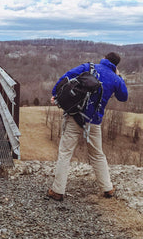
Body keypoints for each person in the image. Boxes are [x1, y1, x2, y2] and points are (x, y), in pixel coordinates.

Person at [47, 52, 128, 201]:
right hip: (94, 121)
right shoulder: (115, 78)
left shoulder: (88, 67)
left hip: (75, 116)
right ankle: (107, 188)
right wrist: (119, 76)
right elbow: (124, 96)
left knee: (65, 153)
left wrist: (55, 94)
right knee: (97, 155)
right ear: (115, 65)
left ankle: (58, 190)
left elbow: (66, 76)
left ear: (104, 58)